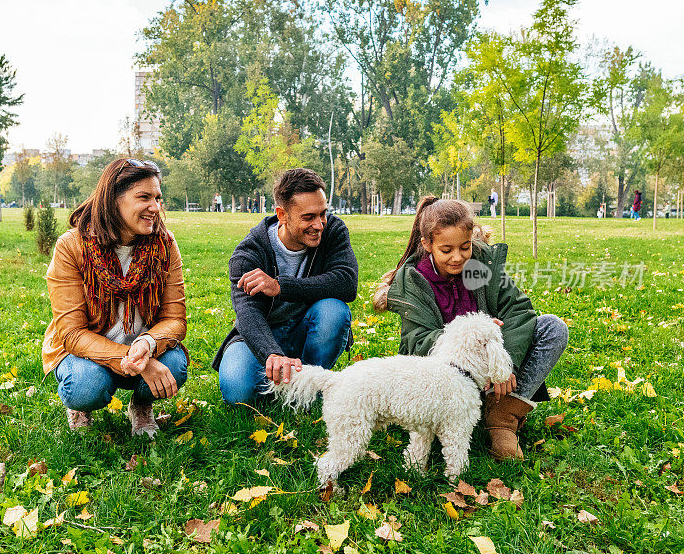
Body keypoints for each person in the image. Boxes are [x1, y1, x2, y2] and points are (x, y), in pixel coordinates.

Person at [374, 196, 568, 461]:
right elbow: (418, 341)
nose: (458, 257)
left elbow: (518, 310)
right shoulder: (414, 281)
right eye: (446, 250)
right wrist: (471, 334)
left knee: (552, 328)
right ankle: (457, 414)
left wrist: (506, 362)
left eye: (464, 247)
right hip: (445, 378)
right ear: (427, 245)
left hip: (494, 365)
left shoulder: (479, 265)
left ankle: (502, 416)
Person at [42, 158, 188, 437]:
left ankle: (142, 406)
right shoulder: (72, 246)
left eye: (157, 198)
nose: (155, 208)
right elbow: (72, 333)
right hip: (86, 354)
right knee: (85, 387)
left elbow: (175, 320)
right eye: (143, 197)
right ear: (112, 200)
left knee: (175, 366)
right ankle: (80, 407)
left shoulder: (165, 245)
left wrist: (147, 343)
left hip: (143, 347)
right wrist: (133, 358)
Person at [213, 168, 358, 404]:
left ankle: (310, 386)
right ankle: (283, 380)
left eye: (323, 213)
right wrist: (271, 353)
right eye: (308, 217)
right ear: (282, 215)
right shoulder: (249, 254)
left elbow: (347, 283)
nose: (320, 224)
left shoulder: (334, 230)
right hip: (262, 334)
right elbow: (248, 314)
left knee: (334, 310)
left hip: (308, 327)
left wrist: (282, 287)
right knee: (237, 391)